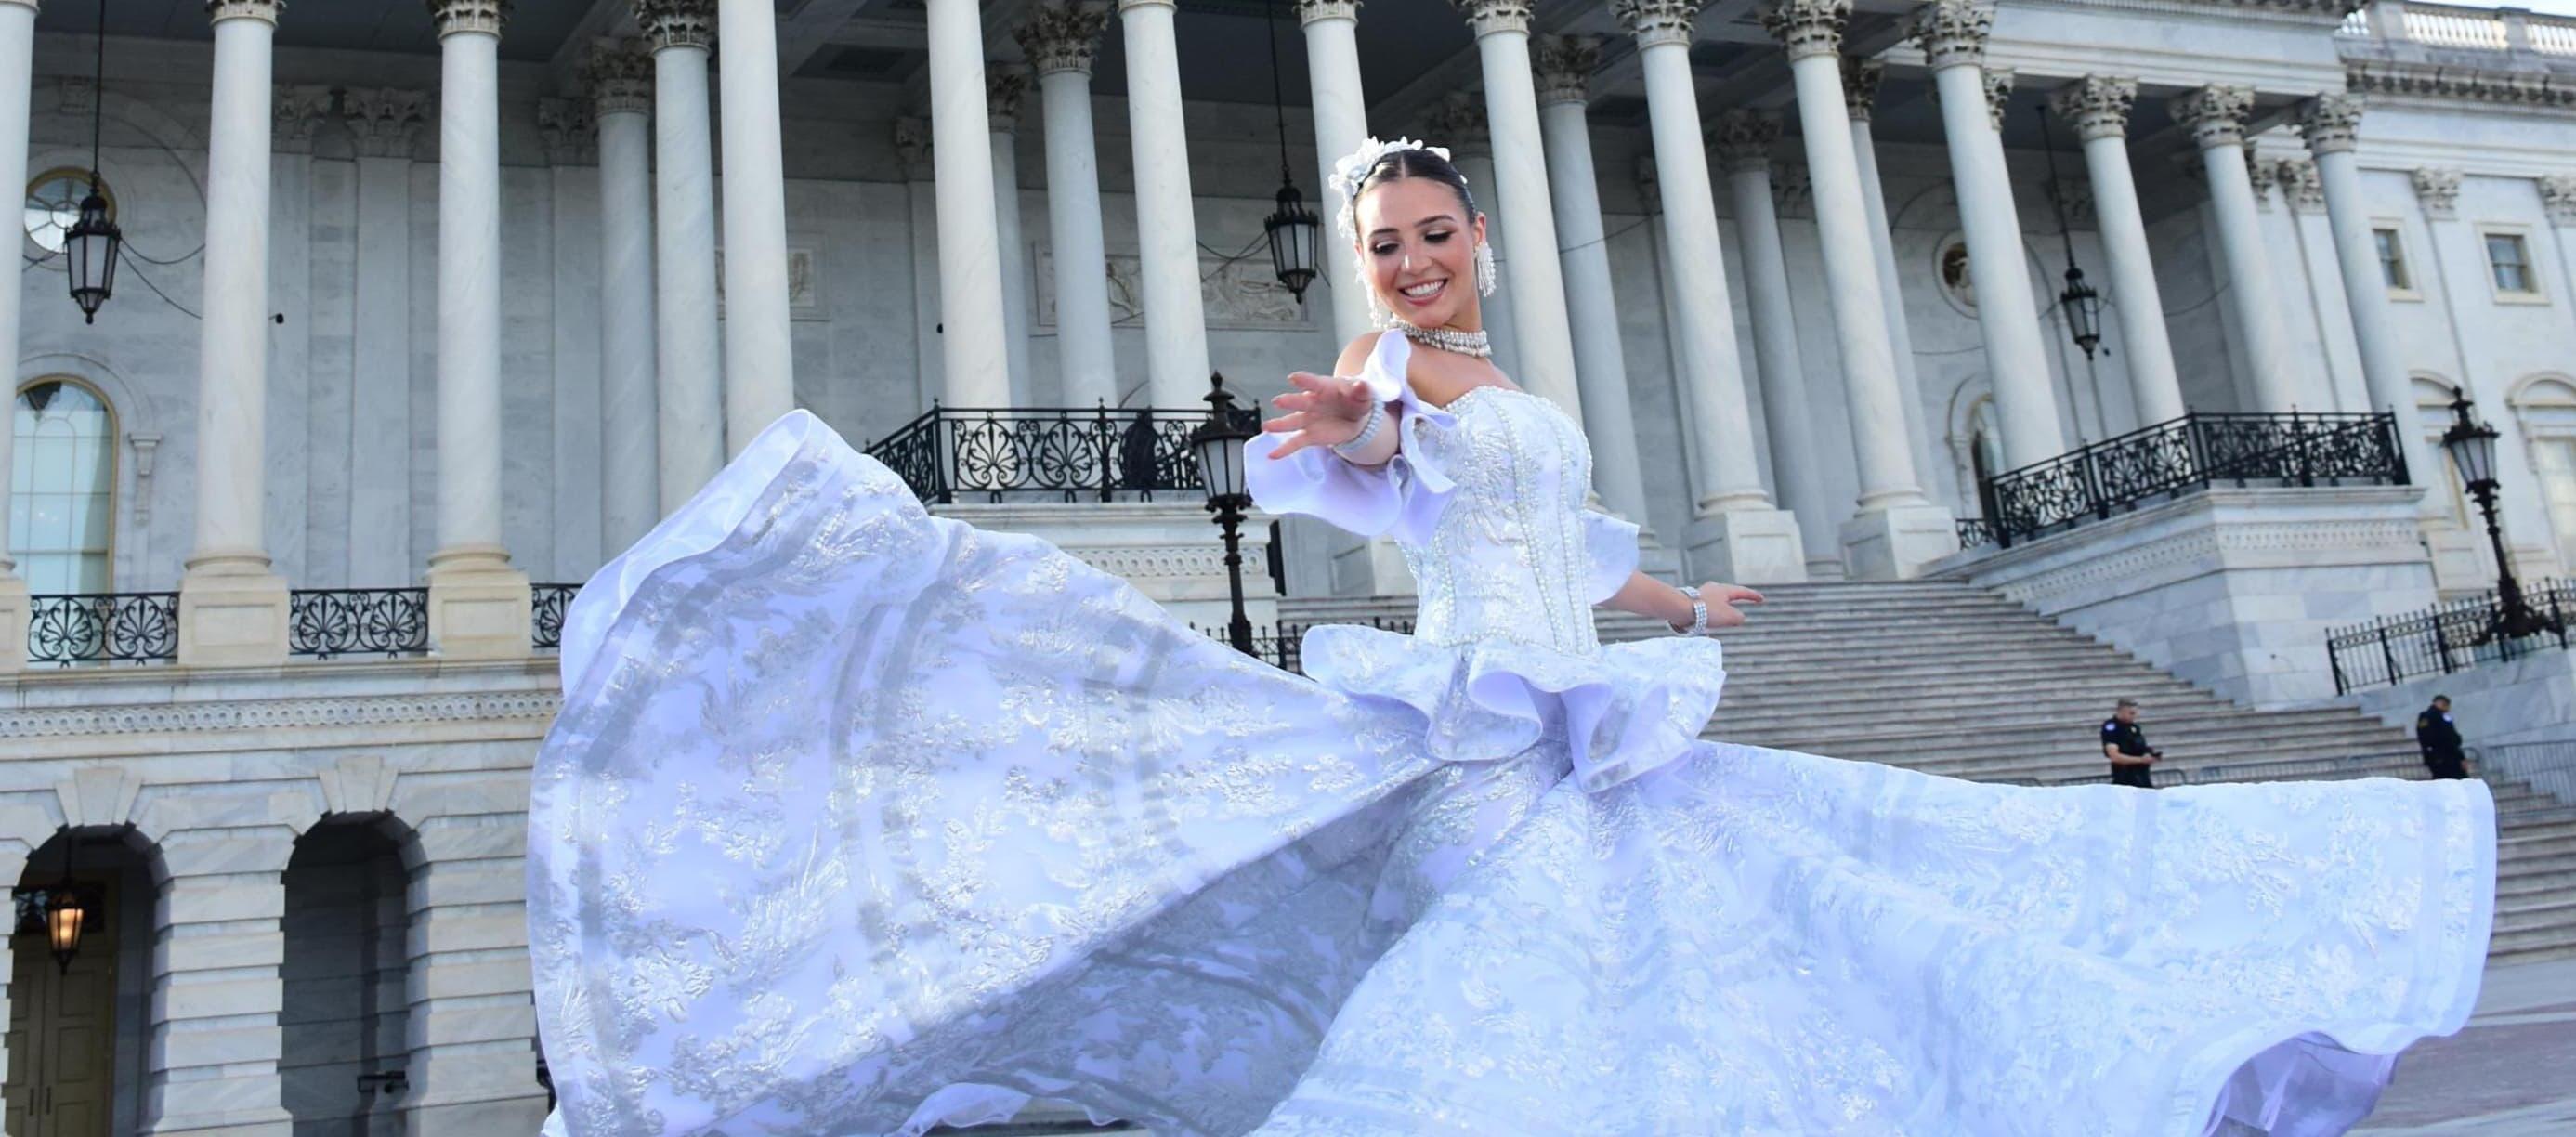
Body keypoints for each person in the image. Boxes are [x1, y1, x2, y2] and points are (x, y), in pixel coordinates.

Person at [527, 138, 2497, 1137]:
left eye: (1428, 229)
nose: (1407, 255)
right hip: (1487, 735)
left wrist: (1687, 603)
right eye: (1381, 237)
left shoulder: (1503, 384)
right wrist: (1338, 418)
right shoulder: (1399, 387)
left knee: (1733, 954)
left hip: (1591, 710)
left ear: (1477, 235)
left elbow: (1559, 537)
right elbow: (1379, 454)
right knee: (1553, 996)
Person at [2102, 698, 2163, 788]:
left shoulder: (2134, 727)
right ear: (2121, 711)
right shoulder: (2112, 728)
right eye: (2131, 713)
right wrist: (2141, 760)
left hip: (2142, 776)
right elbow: (2114, 756)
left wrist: (2149, 755)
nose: (2134, 716)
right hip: (2125, 777)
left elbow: (2140, 747)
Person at [2418, 695, 2469, 779]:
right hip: (2446, 756)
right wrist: (2460, 756)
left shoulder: (2427, 716)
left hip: (2436, 756)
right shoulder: (2437, 716)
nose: (2448, 709)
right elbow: (2448, 737)